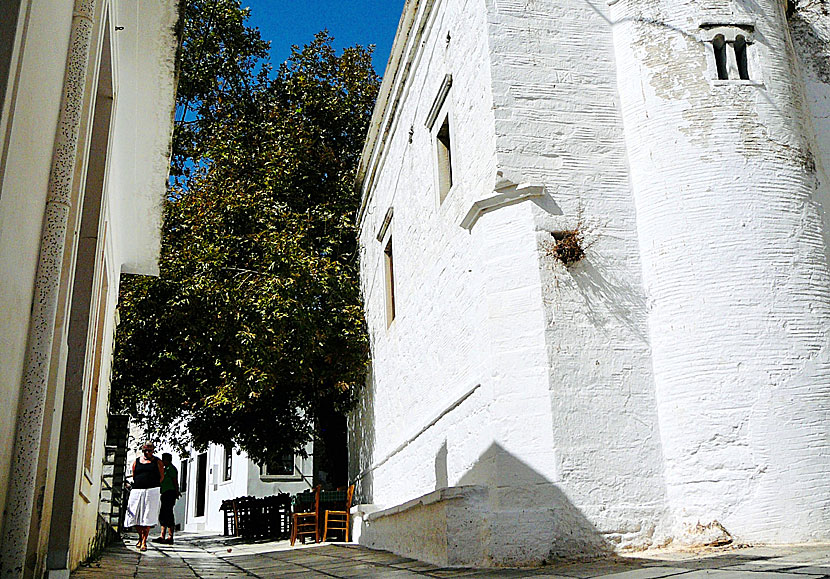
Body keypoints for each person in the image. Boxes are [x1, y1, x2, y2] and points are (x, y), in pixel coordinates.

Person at [123, 441, 164, 551]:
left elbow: (161, 476)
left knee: (147, 516)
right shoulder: (136, 461)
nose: (147, 452)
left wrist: (152, 485)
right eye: (145, 450)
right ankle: (140, 537)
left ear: (153, 451)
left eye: (149, 450)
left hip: (152, 491)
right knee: (134, 515)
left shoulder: (157, 462)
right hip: (137, 490)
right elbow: (134, 474)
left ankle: (144, 541)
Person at [154, 453, 180, 544]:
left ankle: (170, 536)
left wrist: (177, 492)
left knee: (168, 513)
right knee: (163, 514)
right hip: (164, 493)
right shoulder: (164, 469)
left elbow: (175, 481)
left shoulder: (171, 469)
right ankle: (162, 535)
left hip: (170, 492)